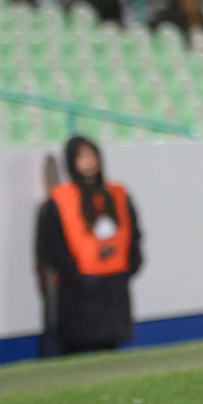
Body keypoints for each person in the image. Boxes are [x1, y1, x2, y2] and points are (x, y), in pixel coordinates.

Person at [34, 137, 143, 355]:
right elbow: (52, 247)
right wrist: (73, 274)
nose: (89, 162)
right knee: (75, 348)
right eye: (82, 157)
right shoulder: (60, 200)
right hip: (78, 287)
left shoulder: (118, 193)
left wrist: (132, 264)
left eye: (92, 156)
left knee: (110, 347)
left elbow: (134, 233)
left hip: (114, 282)